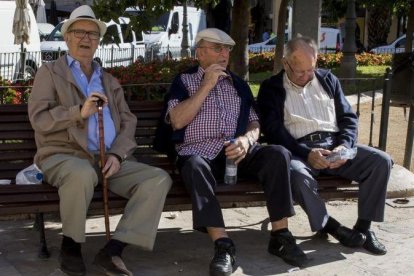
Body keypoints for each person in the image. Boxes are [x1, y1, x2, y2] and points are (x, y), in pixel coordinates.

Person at [28, 5, 172, 276]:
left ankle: (114, 250)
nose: (86, 39)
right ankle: (71, 247)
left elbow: (128, 121)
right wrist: (77, 112)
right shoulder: (50, 73)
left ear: (98, 42)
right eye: (79, 32)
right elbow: (39, 118)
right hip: (63, 155)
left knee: (157, 179)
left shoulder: (108, 80)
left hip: (106, 159)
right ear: (68, 37)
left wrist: (117, 154)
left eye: (92, 34)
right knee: (81, 173)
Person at [166, 28, 308, 276]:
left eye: (228, 49)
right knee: (194, 166)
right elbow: (177, 121)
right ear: (200, 53)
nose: (224, 54)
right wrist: (207, 85)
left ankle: (280, 236)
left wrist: (246, 139)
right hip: (199, 152)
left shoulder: (239, 85)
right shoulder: (184, 82)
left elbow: (255, 122)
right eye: (217, 48)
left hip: (236, 152)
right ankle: (223, 245)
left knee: (278, 155)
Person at [257, 36, 392, 256]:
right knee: (295, 176)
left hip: (334, 147)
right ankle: (333, 227)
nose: (306, 75)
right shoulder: (271, 88)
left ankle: (363, 229)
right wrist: (306, 153)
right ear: (285, 63)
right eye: (300, 71)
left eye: (311, 69)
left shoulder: (328, 80)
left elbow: (348, 118)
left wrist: (343, 146)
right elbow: (273, 131)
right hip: (298, 151)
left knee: (381, 162)